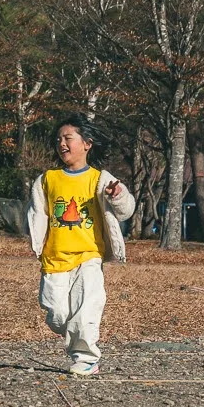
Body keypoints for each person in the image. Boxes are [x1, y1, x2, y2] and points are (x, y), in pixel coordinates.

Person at [27, 115, 137, 376]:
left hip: (89, 256)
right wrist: (36, 242)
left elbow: (126, 210)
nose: (62, 144)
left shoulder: (100, 178)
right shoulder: (47, 179)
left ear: (87, 144)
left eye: (68, 138)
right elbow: (36, 214)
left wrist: (118, 196)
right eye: (58, 140)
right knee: (56, 314)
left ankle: (86, 358)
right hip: (54, 259)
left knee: (87, 307)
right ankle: (76, 337)